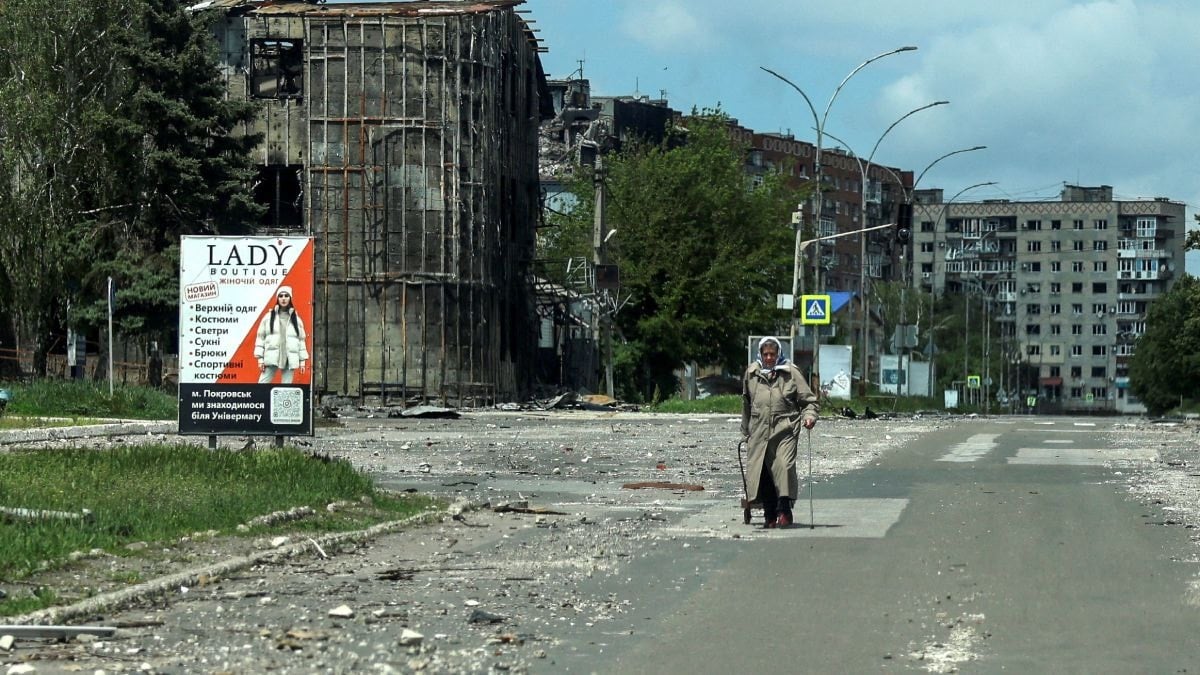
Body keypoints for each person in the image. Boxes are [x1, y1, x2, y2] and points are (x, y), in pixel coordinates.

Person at [741, 336, 819, 528]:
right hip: (759, 430)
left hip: (785, 428)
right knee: (763, 472)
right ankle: (769, 514)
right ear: (760, 354)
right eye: (765, 354)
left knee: (783, 466)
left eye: (772, 354)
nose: (768, 358)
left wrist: (809, 417)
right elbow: (746, 404)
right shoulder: (751, 373)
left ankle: (784, 510)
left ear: (779, 354)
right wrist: (745, 431)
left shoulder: (790, 373)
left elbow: (809, 401)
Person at [254, 285, 309, 384]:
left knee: (286, 389)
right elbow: (260, 338)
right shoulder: (268, 317)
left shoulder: (296, 319)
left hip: (289, 359)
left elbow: (301, 341)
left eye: (286, 296)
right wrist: (260, 360)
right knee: (261, 386)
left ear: (290, 298)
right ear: (277, 298)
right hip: (271, 357)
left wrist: (302, 362)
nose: (283, 298)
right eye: (281, 296)